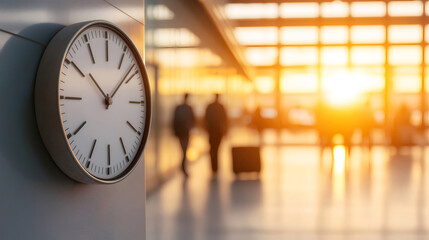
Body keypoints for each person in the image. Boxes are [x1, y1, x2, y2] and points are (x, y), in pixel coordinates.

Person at [173, 93, 195, 177]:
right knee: (184, 151)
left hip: (181, 133)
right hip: (185, 133)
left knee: (183, 150)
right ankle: (183, 168)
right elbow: (193, 120)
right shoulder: (188, 108)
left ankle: (183, 167)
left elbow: (174, 121)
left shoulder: (179, 108)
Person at [205, 94, 228, 174]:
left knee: (212, 148)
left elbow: (206, 119)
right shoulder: (221, 107)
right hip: (218, 131)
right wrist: (225, 131)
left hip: (212, 131)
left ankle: (213, 166)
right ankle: (215, 167)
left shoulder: (210, 107)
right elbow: (225, 120)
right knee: (216, 149)